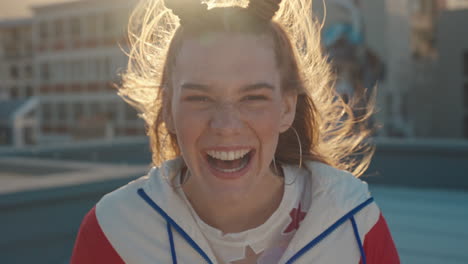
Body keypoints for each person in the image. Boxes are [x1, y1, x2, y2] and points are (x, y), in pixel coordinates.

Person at [71, 0, 399, 263]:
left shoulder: (354, 225)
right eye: (200, 98)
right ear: (169, 109)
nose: (226, 126)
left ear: (286, 108)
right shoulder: (114, 232)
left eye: (253, 98)